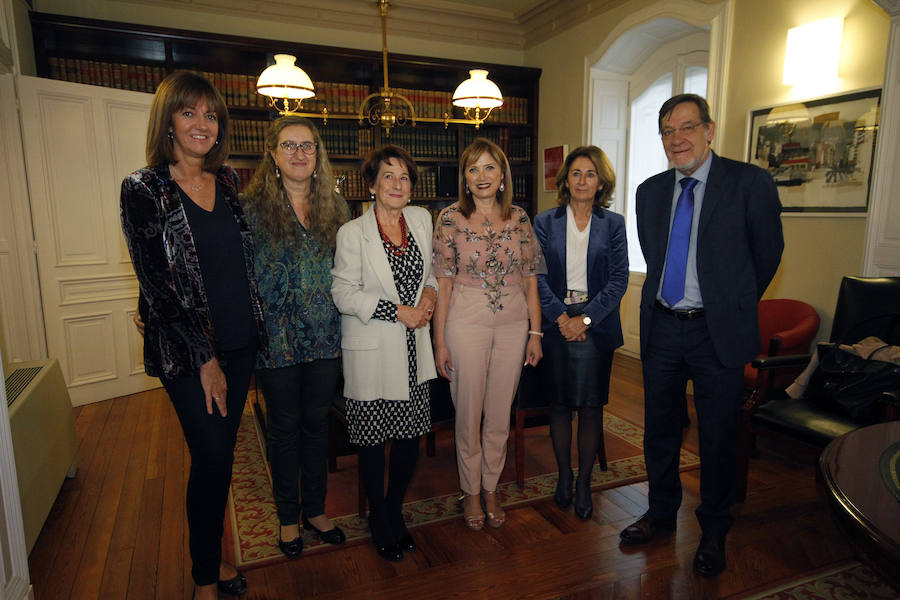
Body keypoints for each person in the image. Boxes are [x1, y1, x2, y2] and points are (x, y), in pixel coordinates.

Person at [619, 93, 783, 577]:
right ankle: (661, 513)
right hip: (664, 329)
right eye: (668, 131)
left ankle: (714, 529)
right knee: (660, 431)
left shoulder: (749, 183)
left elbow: (767, 255)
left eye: (687, 127)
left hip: (718, 334)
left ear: (709, 130)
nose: (677, 139)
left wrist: (730, 303)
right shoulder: (649, 192)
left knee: (717, 437)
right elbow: (655, 255)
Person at [120, 71, 267, 599]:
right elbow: (156, 283)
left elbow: (236, 264)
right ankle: (205, 578)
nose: (202, 124)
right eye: (189, 113)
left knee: (222, 458)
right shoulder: (144, 188)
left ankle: (212, 558)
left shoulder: (227, 182)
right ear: (168, 123)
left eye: (210, 114)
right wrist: (205, 359)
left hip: (241, 342)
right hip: (187, 355)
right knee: (209, 456)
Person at [242, 115, 349, 559]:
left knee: (317, 424)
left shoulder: (337, 209)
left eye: (307, 146)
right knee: (284, 429)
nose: (299, 153)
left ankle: (316, 510)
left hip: (326, 336)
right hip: (277, 339)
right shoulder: (249, 211)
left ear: (318, 154)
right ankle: (289, 516)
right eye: (289, 145)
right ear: (273, 154)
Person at [331, 145, 438, 562]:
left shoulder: (421, 219)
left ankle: (395, 509)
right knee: (374, 442)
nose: (397, 184)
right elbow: (342, 293)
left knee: (410, 437)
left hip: (415, 351)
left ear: (412, 188)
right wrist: (398, 312)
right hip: (373, 348)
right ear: (372, 185)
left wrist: (429, 293)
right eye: (387, 176)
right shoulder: (352, 232)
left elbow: (432, 271)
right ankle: (379, 516)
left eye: (404, 177)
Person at [432, 138, 545, 531]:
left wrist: (536, 332)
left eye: (489, 168)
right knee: (467, 411)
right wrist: (439, 341)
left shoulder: (520, 219)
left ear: (502, 176)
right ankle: (471, 491)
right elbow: (442, 285)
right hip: (465, 320)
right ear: (464, 178)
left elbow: (531, 280)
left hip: (515, 323)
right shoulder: (449, 219)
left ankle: (491, 487)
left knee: (499, 412)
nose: (481, 176)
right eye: (473, 168)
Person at [533, 145, 628, 521]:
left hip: (597, 323)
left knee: (590, 408)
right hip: (557, 322)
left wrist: (585, 320)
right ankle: (564, 476)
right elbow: (536, 277)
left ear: (601, 181)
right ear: (565, 179)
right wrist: (561, 319)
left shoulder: (614, 224)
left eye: (590, 174)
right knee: (558, 406)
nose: (583, 180)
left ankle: (585, 481)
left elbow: (619, 279)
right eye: (576, 173)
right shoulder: (545, 222)